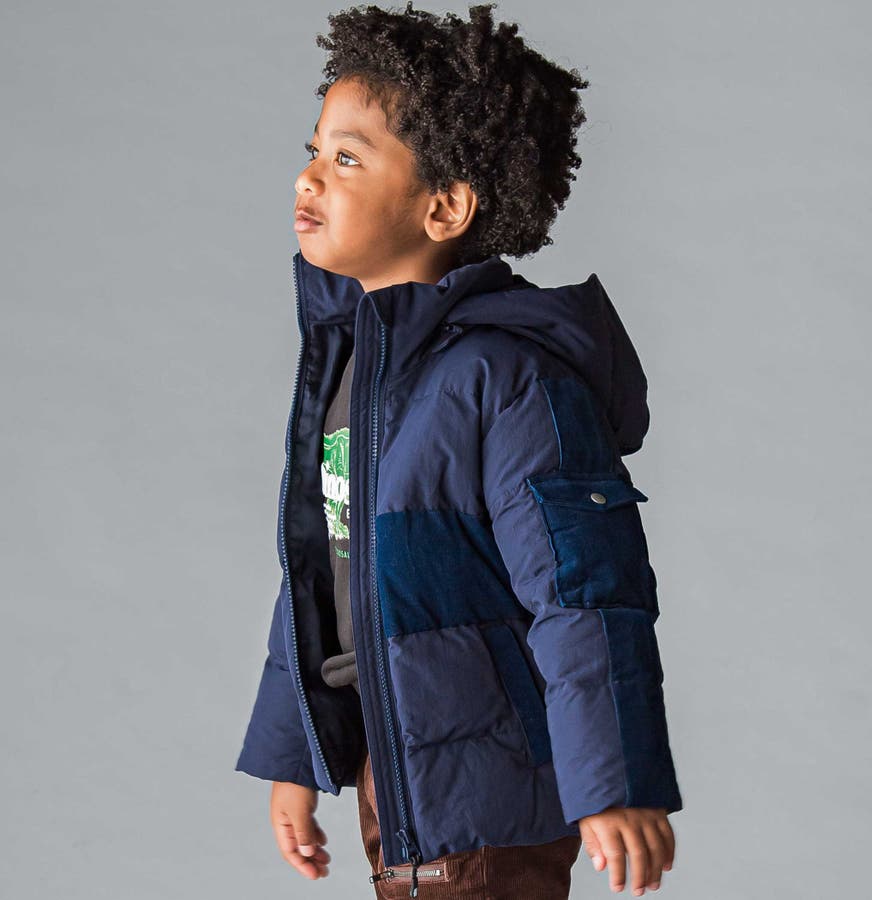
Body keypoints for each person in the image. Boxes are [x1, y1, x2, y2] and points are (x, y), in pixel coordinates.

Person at [234, 3, 684, 897]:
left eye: (347, 158)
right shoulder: (353, 374)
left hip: (491, 800)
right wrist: (295, 753)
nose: (308, 176)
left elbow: (583, 592)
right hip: (395, 773)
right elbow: (326, 571)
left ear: (443, 207)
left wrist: (615, 780)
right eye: (314, 150)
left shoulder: (509, 378)